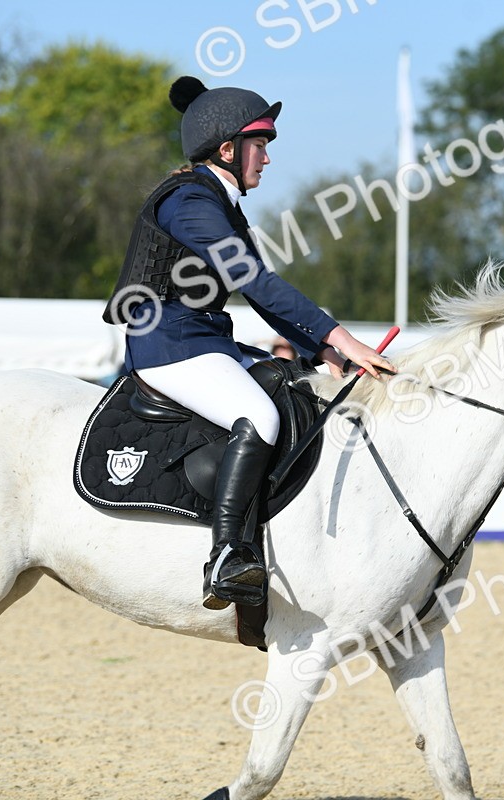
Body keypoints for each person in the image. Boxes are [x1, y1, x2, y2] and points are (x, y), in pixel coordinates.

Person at [103, 76, 395, 610]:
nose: (266, 158)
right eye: (260, 146)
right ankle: (226, 557)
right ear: (228, 148)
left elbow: (256, 291)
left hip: (204, 339)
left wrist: (317, 351)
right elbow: (256, 282)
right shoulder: (189, 201)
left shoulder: (221, 203)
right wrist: (341, 335)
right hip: (167, 343)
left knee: (295, 392)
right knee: (259, 416)